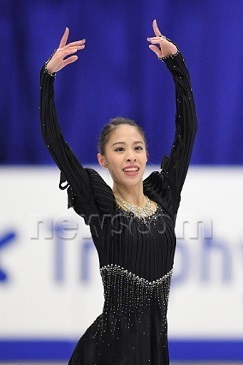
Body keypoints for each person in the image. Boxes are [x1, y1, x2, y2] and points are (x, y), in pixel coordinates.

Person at [40, 19, 197, 365]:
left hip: (155, 351)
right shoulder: (101, 207)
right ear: (103, 159)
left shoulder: (164, 198)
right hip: (108, 353)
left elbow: (187, 134)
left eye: (137, 148)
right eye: (120, 149)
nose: (131, 157)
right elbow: (57, 145)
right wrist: (47, 78)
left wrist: (176, 64)